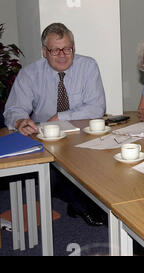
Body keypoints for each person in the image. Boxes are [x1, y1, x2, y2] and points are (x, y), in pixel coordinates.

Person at [3, 23, 107, 226]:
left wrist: (61, 117)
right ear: (44, 51)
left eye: (67, 49)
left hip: (83, 135)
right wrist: (21, 120)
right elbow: (13, 108)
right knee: (55, 172)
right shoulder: (30, 74)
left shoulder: (88, 66)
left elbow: (97, 107)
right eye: (55, 50)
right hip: (47, 140)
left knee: (103, 165)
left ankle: (84, 201)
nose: (62, 55)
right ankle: (81, 204)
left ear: (73, 48)